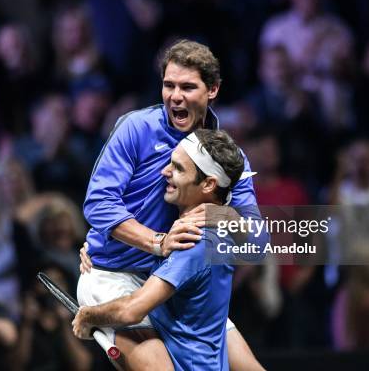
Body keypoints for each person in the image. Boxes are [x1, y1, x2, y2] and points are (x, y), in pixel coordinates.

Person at [77, 39, 266, 370]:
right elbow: (98, 203)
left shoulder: (227, 156)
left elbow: (258, 240)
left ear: (213, 90)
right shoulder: (136, 128)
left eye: (188, 87)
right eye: (168, 85)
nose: (175, 96)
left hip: (179, 282)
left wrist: (222, 214)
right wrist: (156, 242)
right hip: (116, 275)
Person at [73, 129, 252, 370]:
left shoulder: (193, 242)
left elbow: (131, 311)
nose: (164, 172)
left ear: (209, 184)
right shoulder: (218, 232)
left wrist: (87, 316)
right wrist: (102, 246)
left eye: (178, 168)